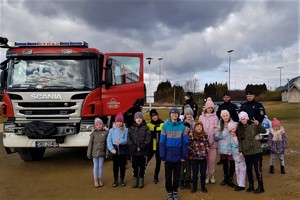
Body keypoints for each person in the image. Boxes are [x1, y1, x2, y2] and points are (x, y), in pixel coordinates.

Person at [160, 107, 188, 200]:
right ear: (170, 115)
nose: (174, 114)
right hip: (168, 156)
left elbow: (185, 142)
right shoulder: (165, 126)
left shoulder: (182, 127)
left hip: (178, 156)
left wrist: (184, 155)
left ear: (178, 115)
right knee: (168, 176)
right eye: (172, 113)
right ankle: (169, 192)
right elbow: (162, 142)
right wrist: (162, 155)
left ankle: (175, 191)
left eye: (176, 113)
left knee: (177, 176)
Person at [236, 111, 266, 194]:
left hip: (256, 151)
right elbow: (240, 141)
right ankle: (251, 185)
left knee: (257, 169)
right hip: (247, 152)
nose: (243, 120)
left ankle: (261, 186)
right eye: (241, 119)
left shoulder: (253, 125)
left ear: (247, 117)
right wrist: (241, 151)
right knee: (249, 170)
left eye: (244, 118)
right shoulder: (239, 128)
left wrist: (258, 124)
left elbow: (263, 131)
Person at [128, 112, 151, 189]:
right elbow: (129, 139)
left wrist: (141, 147)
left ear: (142, 119)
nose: (138, 119)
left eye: (140, 118)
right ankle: (135, 179)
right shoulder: (131, 128)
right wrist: (134, 147)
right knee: (134, 166)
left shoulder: (146, 128)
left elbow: (148, 139)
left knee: (142, 166)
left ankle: (141, 179)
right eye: (137, 118)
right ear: (135, 119)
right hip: (134, 152)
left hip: (143, 151)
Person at [213, 109, 236, 188]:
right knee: (225, 163)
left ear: (229, 115)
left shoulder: (234, 124)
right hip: (223, 147)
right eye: (223, 116)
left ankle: (230, 178)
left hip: (231, 147)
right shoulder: (219, 125)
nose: (225, 117)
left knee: (232, 162)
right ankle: (225, 178)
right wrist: (215, 130)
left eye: (226, 115)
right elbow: (216, 137)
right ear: (221, 117)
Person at [199, 97, 219, 184]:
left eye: (211, 108)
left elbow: (217, 129)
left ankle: (212, 175)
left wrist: (214, 138)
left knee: (211, 160)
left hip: (213, 143)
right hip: (204, 143)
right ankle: (206, 175)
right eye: (208, 107)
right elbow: (199, 129)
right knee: (205, 160)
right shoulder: (201, 117)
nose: (210, 109)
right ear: (206, 108)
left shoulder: (216, 117)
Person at [216, 92, 239, 165]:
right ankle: (222, 158)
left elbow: (236, 117)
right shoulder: (221, 106)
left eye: (227, 97)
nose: (226, 98)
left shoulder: (233, 106)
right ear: (223, 98)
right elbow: (218, 116)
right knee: (222, 141)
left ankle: (232, 158)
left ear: (229, 98)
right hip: (223, 125)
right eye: (224, 97)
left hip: (231, 126)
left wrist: (234, 125)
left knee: (232, 142)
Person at [107, 112, 128, 187]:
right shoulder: (111, 130)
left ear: (122, 122)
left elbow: (126, 140)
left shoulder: (125, 130)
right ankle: (115, 180)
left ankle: (122, 179)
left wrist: (121, 142)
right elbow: (108, 141)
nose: (119, 123)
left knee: (122, 166)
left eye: (120, 122)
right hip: (114, 150)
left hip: (122, 150)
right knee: (115, 166)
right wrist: (111, 149)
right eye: (117, 121)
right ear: (115, 122)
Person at [87, 118, 109, 188]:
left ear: (102, 125)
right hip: (94, 153)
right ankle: (95, 180)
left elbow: (107, 144)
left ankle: (100, 179)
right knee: (95, 166)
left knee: (100, 166)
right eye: (97, 125)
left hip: (102, 153)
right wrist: (89, 153)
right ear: (95, 126)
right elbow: (90, 144)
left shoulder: (105, 133)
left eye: (100, 124)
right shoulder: (93, 133)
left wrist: (107, 153)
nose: (99, 126)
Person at [189, 121, 209, 193]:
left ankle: (203, 186)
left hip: (203, 158)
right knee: (195, 173)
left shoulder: (205, 135)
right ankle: (194, 187)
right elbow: (190, 145)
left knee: (203, 173)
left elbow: (207, 144)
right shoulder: (192, 135)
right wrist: (192, 152)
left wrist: (206, 151)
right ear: (195, 128)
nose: (199, 128)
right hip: (195, 158)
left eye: (200, 126)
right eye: (197, 126)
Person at [147, 109, 164, 184]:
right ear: (151, 117)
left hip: (159, 147)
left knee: (158, 163)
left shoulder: (162, 124)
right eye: (153, 116)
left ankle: (156, 177)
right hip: (150, 147)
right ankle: (141, 173)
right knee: (145, 160)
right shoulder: (148, 125)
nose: (154, 117)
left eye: (155, 115)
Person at [228, 122, 247, 191]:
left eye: (234, 128)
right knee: (237, 170)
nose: (233, 130)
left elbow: (237, 144)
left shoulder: (239, 135)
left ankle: (242, 185)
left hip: (240, 155)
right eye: (231, 129)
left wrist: (234, 137)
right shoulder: (231, 136)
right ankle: (239, 183)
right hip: (235, 156)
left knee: (242, 169)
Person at [179, 121, 192, 190]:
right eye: (185, 127)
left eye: (188, 127)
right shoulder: (180, 136)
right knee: (181, 169)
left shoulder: (191, 136)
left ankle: (187, 181)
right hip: (181, 157)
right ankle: (181, 181)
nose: (186, 128)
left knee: (188, 169)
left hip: (189, 156)